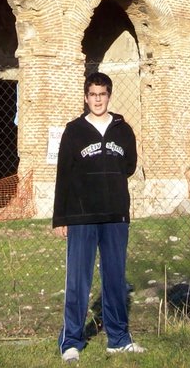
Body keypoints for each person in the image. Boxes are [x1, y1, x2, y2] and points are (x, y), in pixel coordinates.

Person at [52, 71, 145, 362]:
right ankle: (71, 341)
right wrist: (60, 218)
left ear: (109, 96)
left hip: (115, 214)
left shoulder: (122, 129)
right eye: (92, 95)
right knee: (78, 280)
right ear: (85, 97)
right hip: (81, 216)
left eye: (102, 94)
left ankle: (118, 338)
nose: (97, 100)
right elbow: (63, 175)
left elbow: (129, 165)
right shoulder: (74, 130)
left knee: (115, 278)